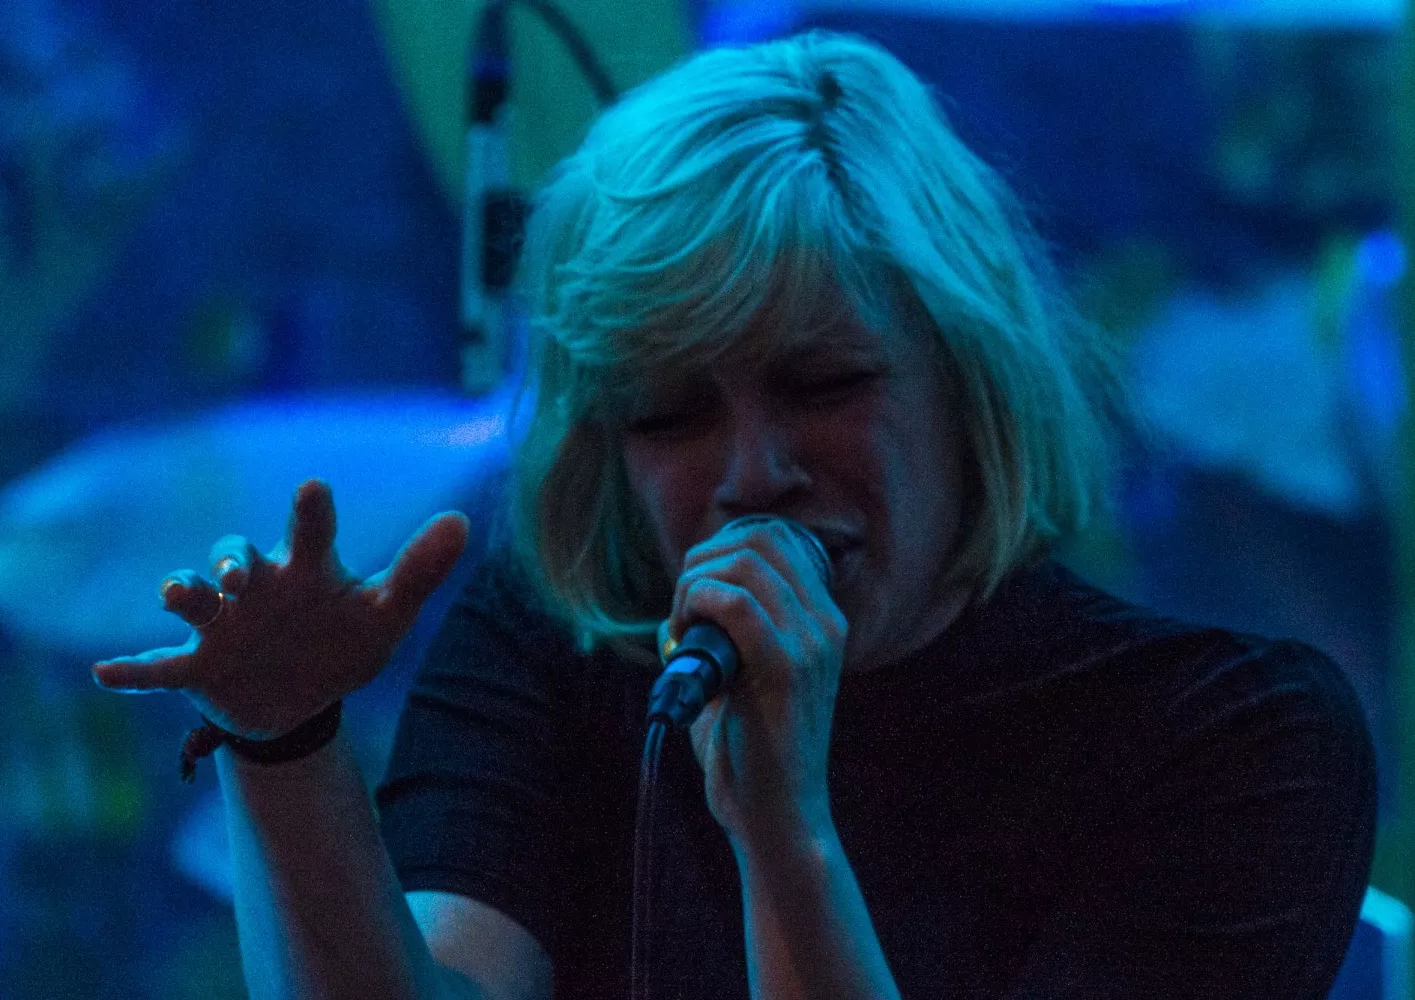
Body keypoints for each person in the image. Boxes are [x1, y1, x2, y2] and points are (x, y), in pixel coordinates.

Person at [94, 29, 1376, 1000]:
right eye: (669, 415)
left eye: (822, 385)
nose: (751, 470)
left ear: (966, 377)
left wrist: (780, 828)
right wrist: (284, 743)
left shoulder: (1224, 736)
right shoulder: (559, 648)